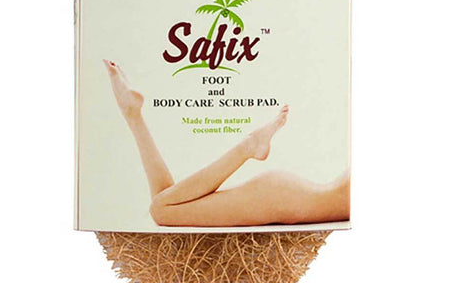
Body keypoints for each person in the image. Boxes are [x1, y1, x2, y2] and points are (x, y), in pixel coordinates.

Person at [104, 59, 350, 227]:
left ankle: (132, 114)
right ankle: (249, 145)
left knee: (165, 203)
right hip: (283, 200)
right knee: (163, 210)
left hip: (286, 196)